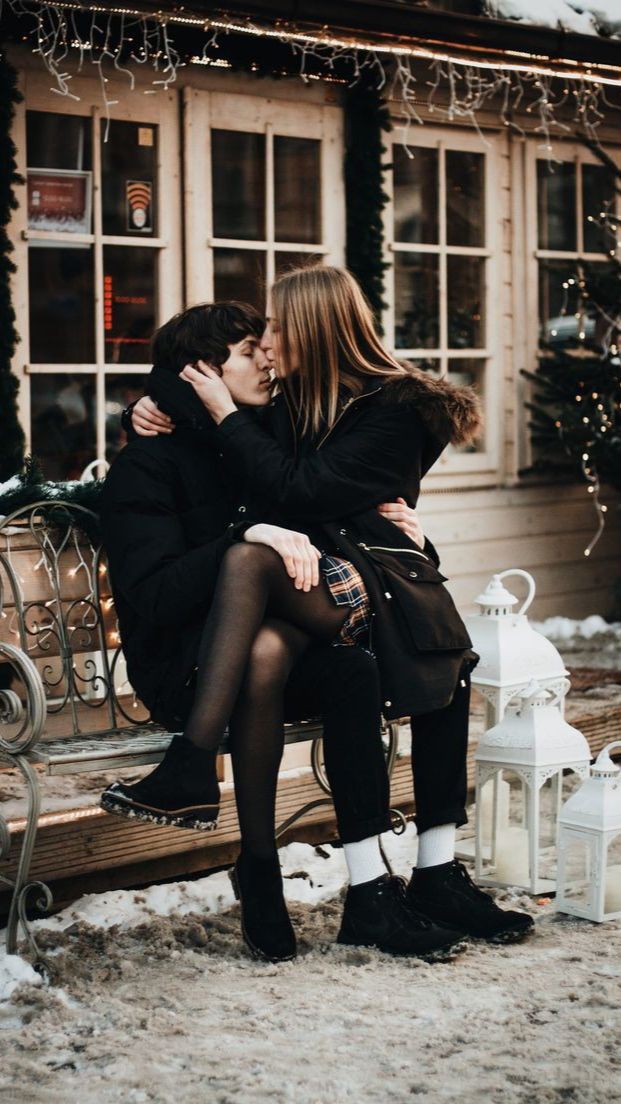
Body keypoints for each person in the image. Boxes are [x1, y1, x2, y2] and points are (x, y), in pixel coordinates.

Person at [131, 267, 534, 948]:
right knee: (332, 656)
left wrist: (228, 419)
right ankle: (371, 891)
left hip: (368, 582)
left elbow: (303, 486)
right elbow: (221, 440)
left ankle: (433, 873)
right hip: (317, 590)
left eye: (277, 330)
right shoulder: (299, 404)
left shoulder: (398, 410)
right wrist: (151, 405)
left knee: (440, 662)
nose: (266, 345)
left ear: (312, 330)